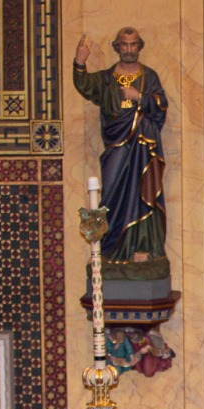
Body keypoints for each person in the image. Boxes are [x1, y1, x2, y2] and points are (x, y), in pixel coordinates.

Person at [73, 28, 168, 262]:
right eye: (124, 45)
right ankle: (111, 249)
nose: (128, 50)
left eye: (133, 45)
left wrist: (139, 97)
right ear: (117, 47)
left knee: (139, 193)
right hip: (115, 144)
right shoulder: (106, 78)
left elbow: (161, 104)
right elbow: (85, 85)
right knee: (112, 193)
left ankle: (140, 247)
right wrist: (79, 62)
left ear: (139, 46)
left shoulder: (149, 76)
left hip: (141, 146)